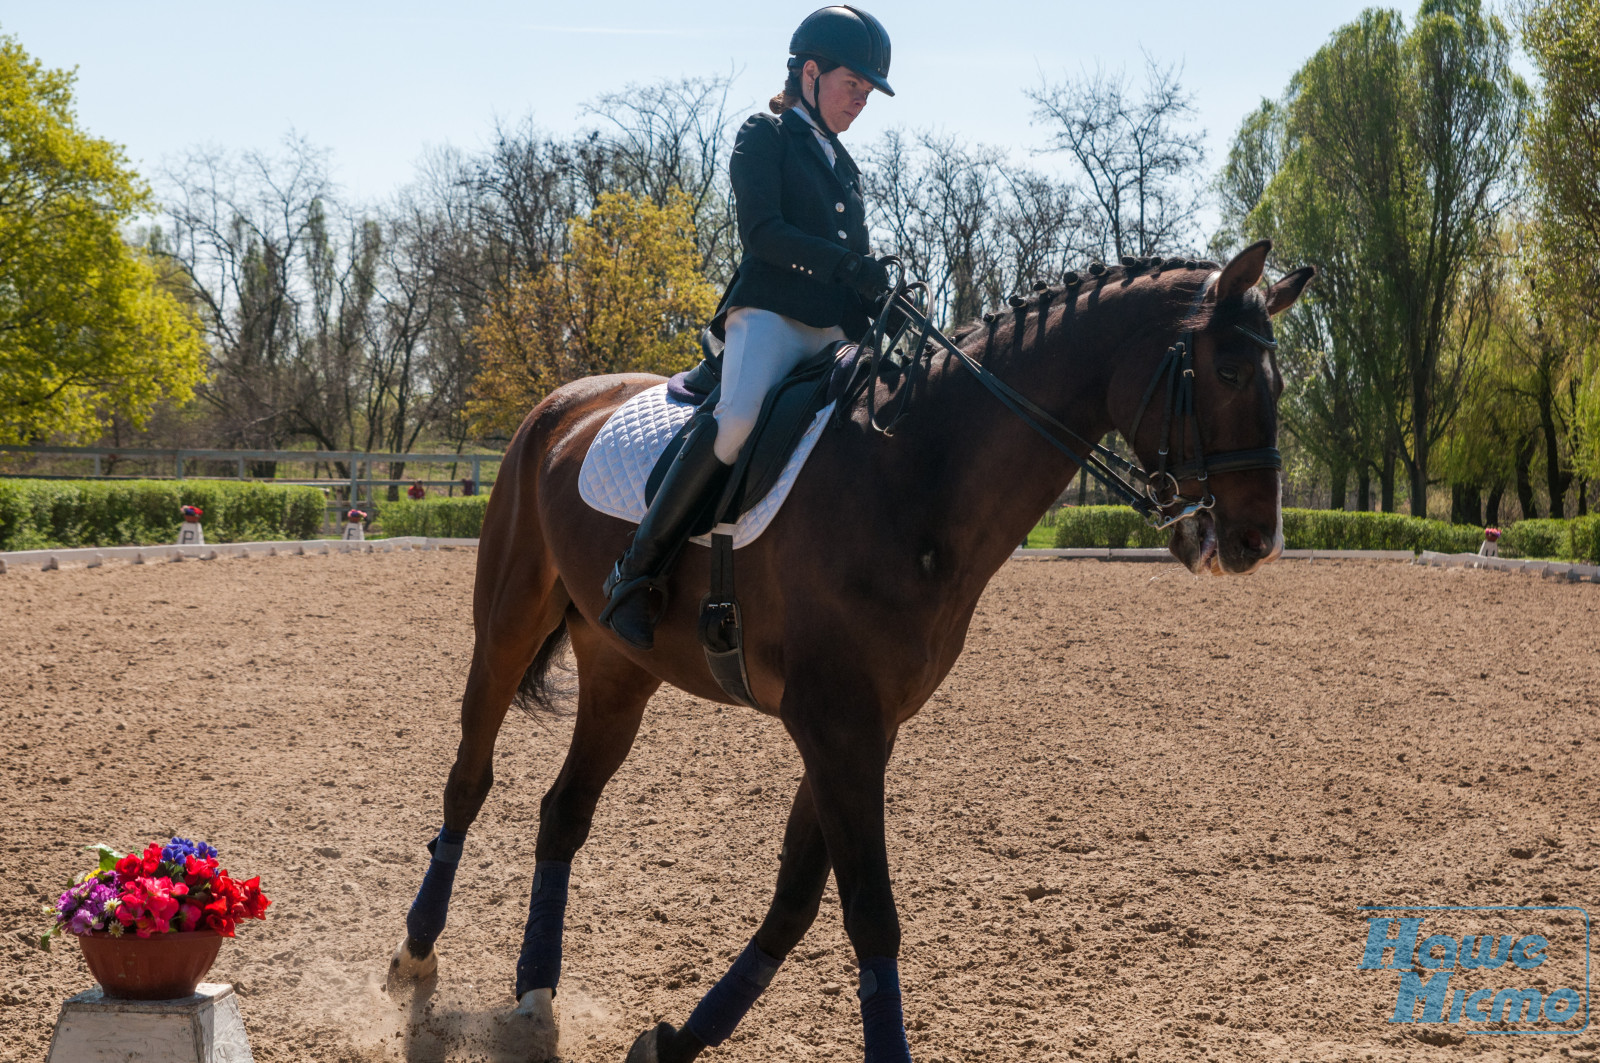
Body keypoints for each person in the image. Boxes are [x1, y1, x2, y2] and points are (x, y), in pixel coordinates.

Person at [600, 5, 896, 649]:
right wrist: (847, 264)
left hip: (833, 329)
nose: (862, 101)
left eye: (869, 92)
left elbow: (853, 262)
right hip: (770, 315)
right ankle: (635, 570)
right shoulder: (765, 134)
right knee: (735, 417)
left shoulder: (842, 163)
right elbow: (763, 233)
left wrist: (877, 297)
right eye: (855, 85)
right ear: (811, 74)